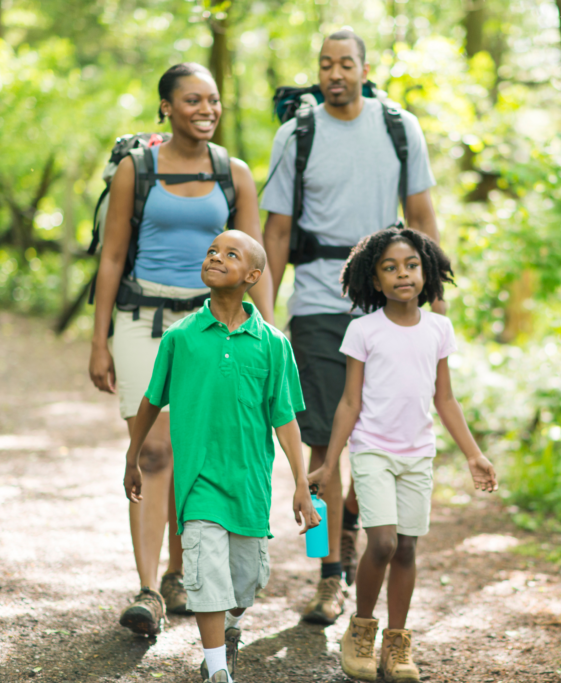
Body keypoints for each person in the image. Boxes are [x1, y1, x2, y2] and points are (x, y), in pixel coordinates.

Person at [262, 28, 444, 625]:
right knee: (322, 441)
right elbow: (279, 232)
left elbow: (420, 218)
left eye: (346, 64)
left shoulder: (400, 127)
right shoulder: (297, 135)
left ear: (364, 70)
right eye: (325, 65)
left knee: (378, 433)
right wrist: (264, 315)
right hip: (316, 303)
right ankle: (325, 572)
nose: (335, 73)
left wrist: (432, 298)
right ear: (317, 73)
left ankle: (346, 531)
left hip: (384, 305)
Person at [88, 62, 275, 636]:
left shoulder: (234, 173)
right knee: (155, 450)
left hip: (209, 329)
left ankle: (178, 575)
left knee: (198, 451)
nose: (207, 110)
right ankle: (148, 589)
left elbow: (256, 261)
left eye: (213, 100)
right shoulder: (135, 169)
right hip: (142, 321)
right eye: (193, 100)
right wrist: (99, 342)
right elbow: (113, 256)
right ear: (166, 107)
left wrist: (265, 335)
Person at [124, 230, 318, 683]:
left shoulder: (273, 344)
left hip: (249, 484)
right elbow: (152, 400)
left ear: (252, 275)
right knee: (206, 578)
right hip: (199, 484)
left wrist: (301, 483)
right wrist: (132, 455)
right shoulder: (181, 337)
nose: (216, 257)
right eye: (212, 251)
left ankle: (231, 630)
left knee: (242, 586)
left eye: (230, 254)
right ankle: (217, 672)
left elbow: (285, 418)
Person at [307, 227, 498, 683]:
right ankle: (361, 633)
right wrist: (330, 464)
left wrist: (473, 454)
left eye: (411, 265)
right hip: (372, 451)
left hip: (418, 454)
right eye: (389, 268)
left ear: (426, 270)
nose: (402, 274)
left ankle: (396, 643)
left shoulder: (438, 328)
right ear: (374, 281)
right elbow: (349, 402)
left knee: (408, 548)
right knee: (385, 543)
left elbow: (445, 399)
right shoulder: (363, 330)